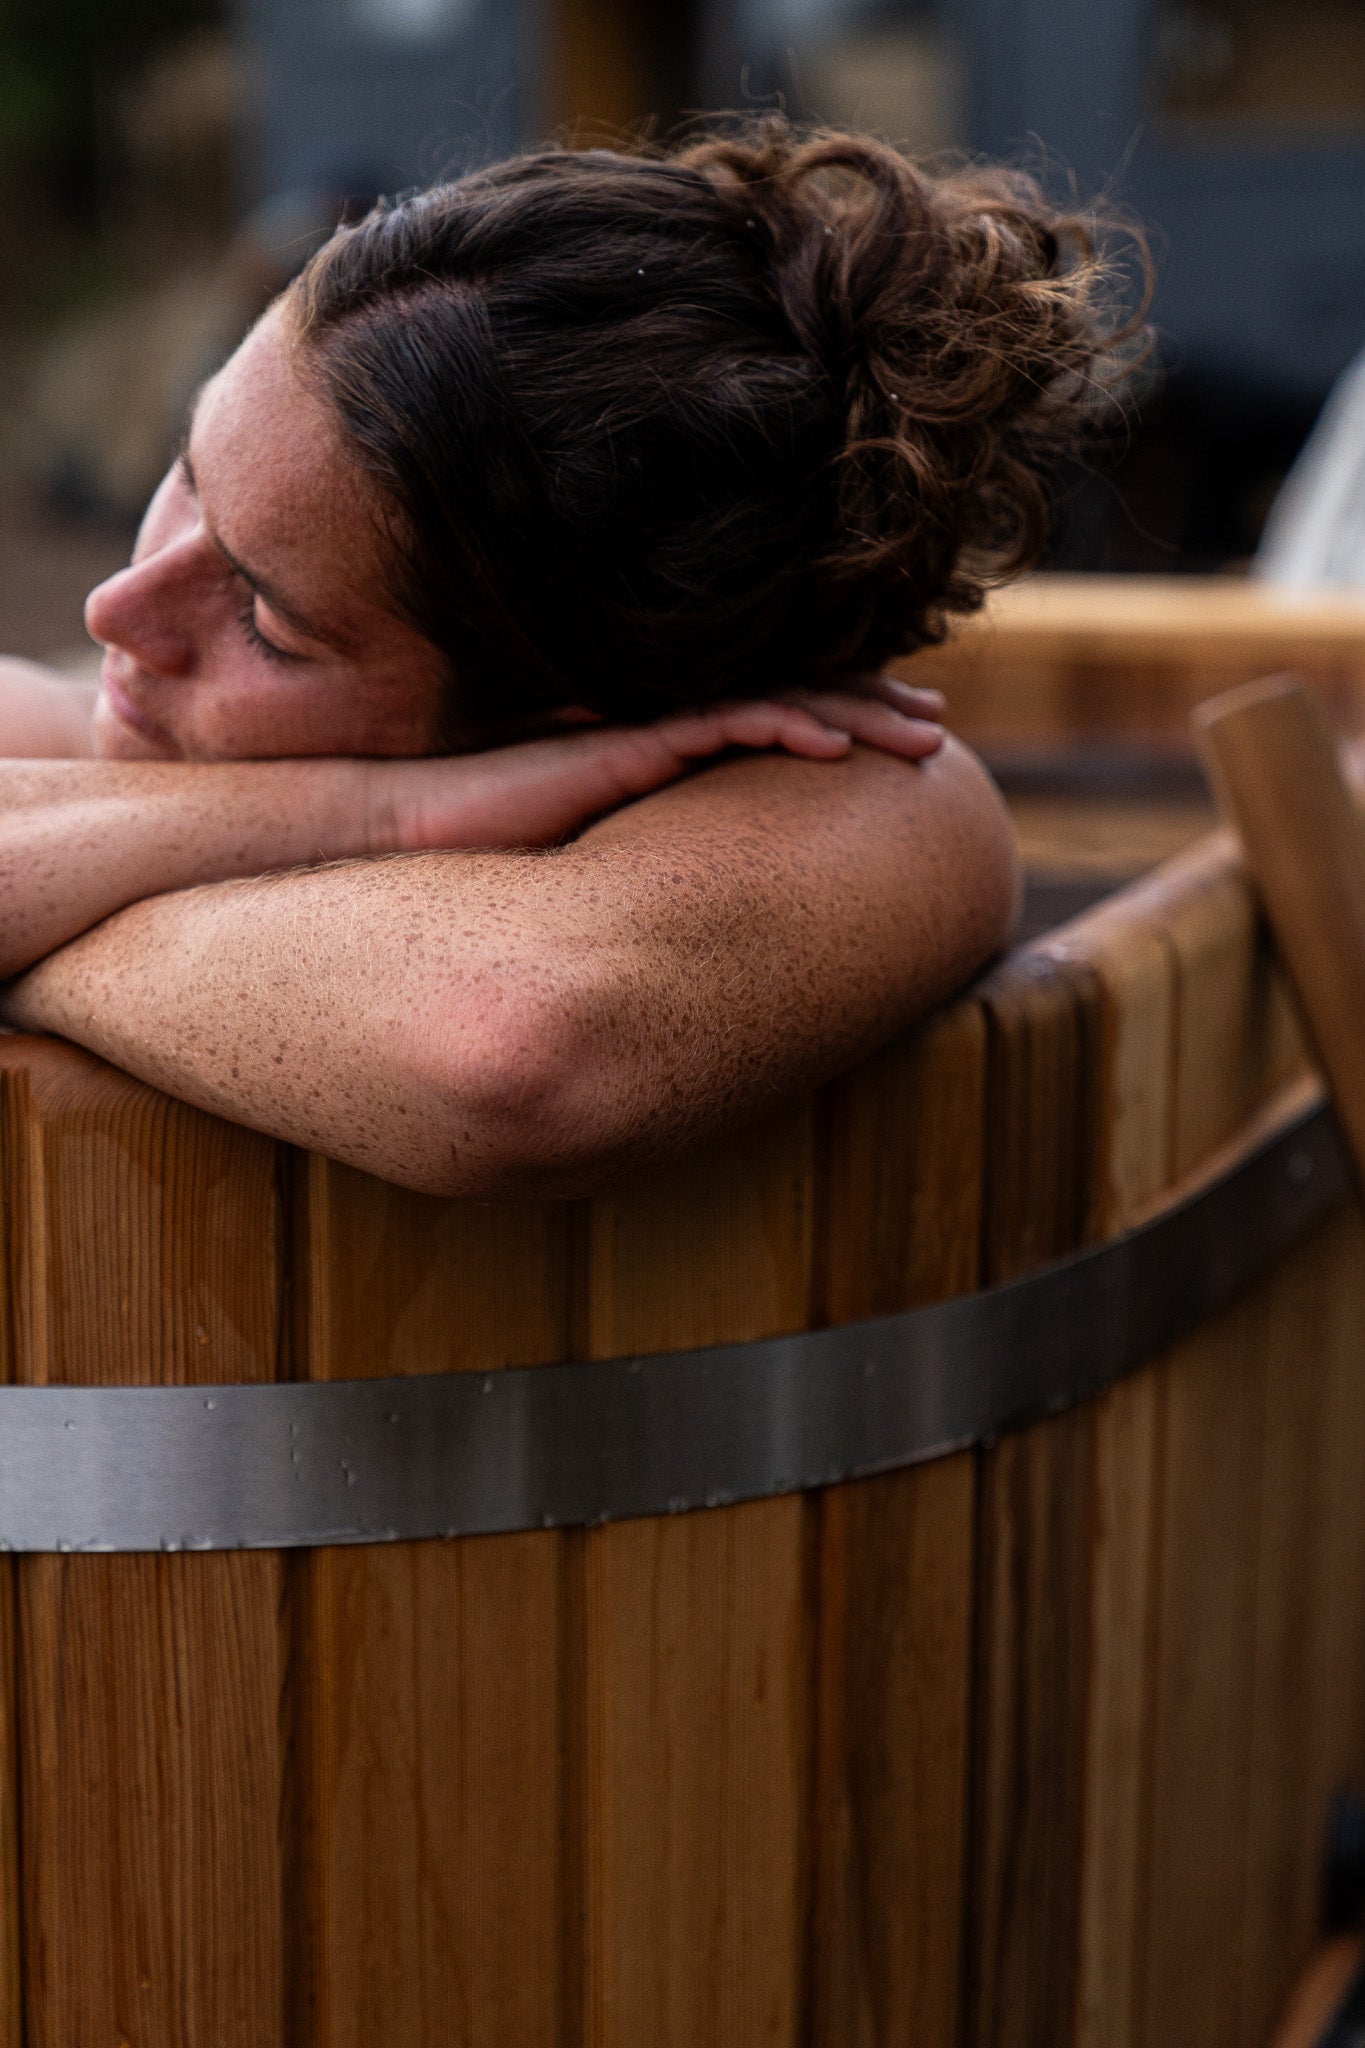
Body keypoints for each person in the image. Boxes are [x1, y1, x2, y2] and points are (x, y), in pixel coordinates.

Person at [0, 122, 1137, 1196]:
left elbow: (503, 1050)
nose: (114, 607)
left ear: (563, 713)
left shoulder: (887, 789)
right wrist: (361, 807)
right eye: (189, 477)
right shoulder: (76, 723)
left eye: (266, 620)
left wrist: (32, 928)